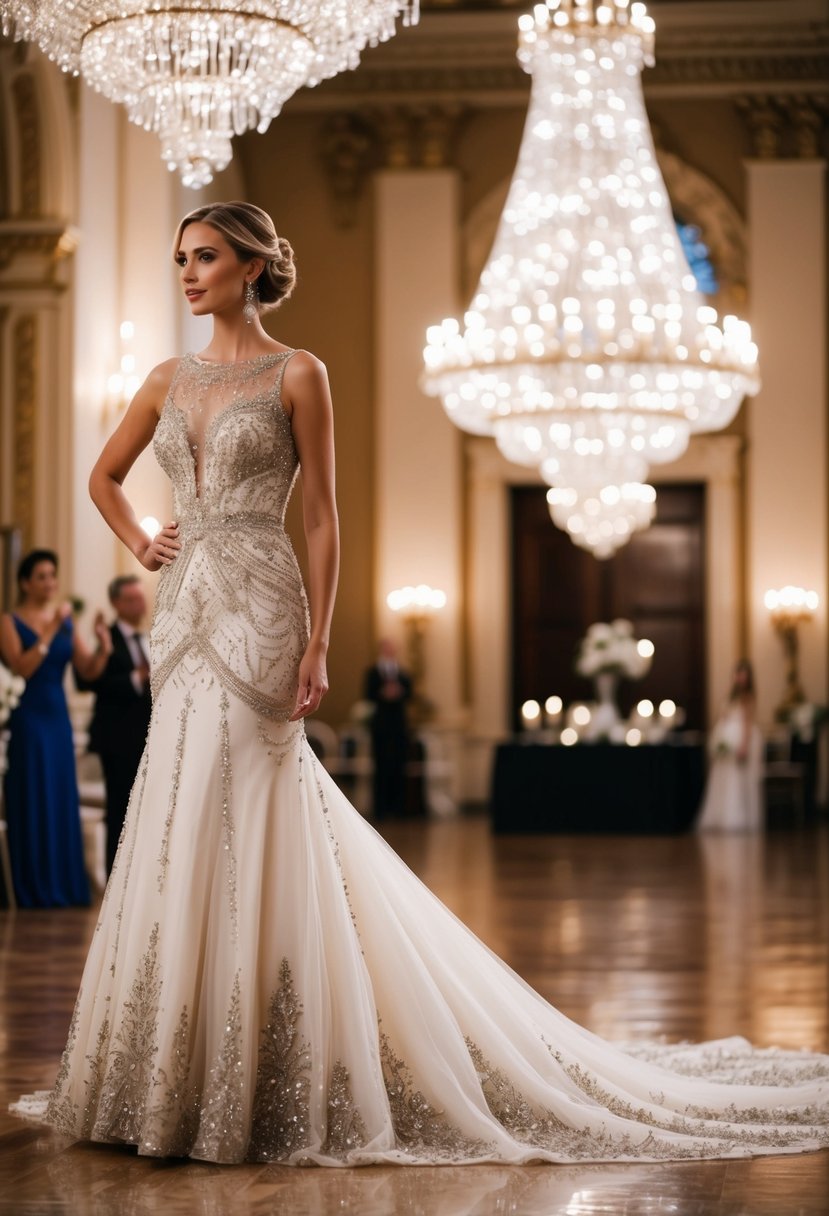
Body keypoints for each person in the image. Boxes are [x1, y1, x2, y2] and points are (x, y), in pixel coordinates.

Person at [18, 203, 827, 1164]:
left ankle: (272, 1056)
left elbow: (320, 519)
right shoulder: (163, 377)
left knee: (253, 799)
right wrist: (142, 540)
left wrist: (319, 642)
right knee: (180, 802)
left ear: (249, 267)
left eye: (205, 257)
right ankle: (173, 1060)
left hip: (267, 608)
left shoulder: (297, 372)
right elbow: (104, 478)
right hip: (188, 612)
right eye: (180, 259)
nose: (187, 273)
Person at [0, 549, 112, 907]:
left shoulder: (66, 623)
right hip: (29, 721)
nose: (50, 583)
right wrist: (48, 630)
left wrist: (103, 648)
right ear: (25, 583)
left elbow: (87, 673)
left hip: (58, 721)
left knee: (59, 797)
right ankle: (30, 885)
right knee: (33, 796)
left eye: (53, 575)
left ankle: (61, 884)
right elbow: (22, 668)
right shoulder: (9, 621)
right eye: (42, 576)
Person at [79, 575, 153, 875]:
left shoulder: (151, 635)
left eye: (141, 597)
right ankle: (116, 876)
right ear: (116, 603)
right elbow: (93, 683)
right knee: (120, 810)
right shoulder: (105, 638)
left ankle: (143, 875)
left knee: (147, 809)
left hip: (148, 737)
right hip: (118, 738)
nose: (140, 604)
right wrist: (136, 678)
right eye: (132, 599)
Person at [697, 659, 764, 832]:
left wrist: (744, 745)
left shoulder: (748, 697)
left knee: (737, 780)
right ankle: (720, 815)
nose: (740, 678)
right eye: (738, 674)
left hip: (739, 740)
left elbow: (748, 724)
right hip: (726, 740)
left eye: (744, 675)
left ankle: (738, 817)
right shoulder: (730, 696)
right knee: (723, 778)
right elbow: (723, 717)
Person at [364, 638, 412, 819]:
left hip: (399, 725)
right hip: (381, 725)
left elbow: (410, 693)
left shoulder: (402, 672)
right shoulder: (373, 672)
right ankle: (381, 809)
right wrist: (382, 693)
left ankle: (399, 808)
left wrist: (399, 693)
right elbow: (367, 694)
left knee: (399, 766)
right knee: (381, 765)